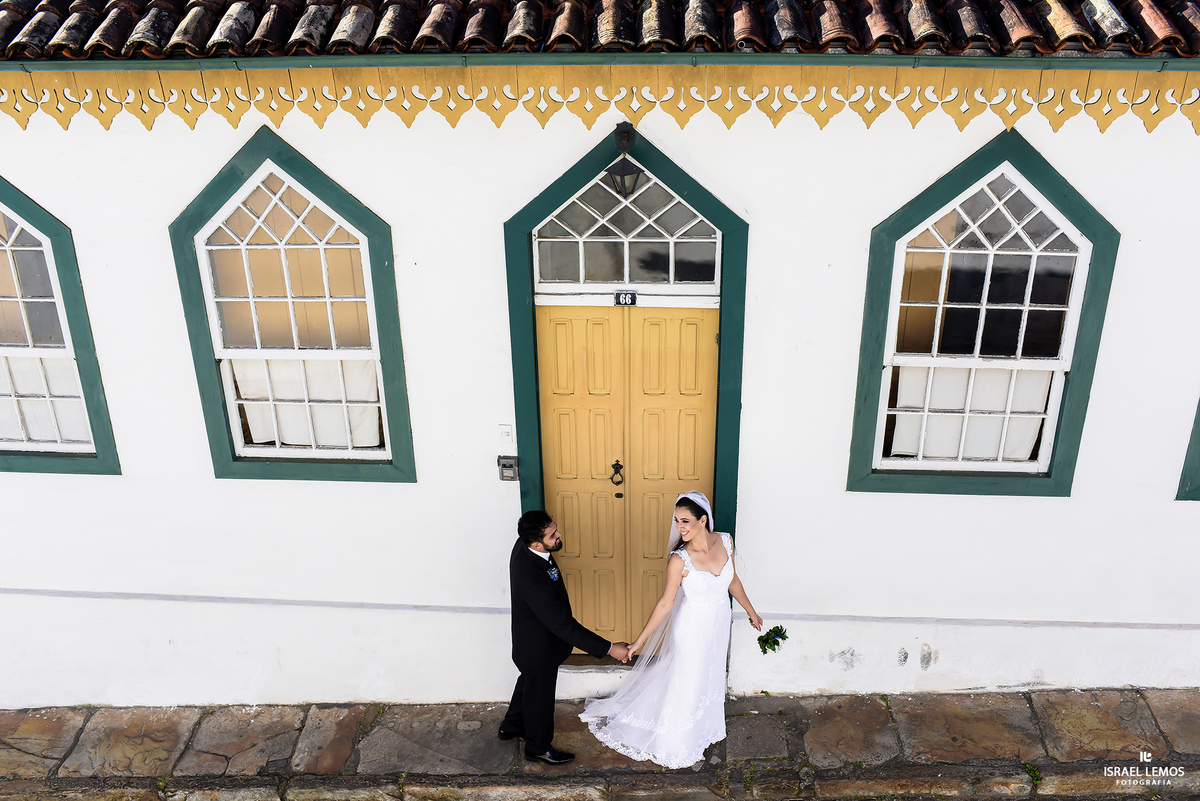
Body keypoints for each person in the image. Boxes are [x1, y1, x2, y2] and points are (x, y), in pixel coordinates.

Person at [579, 491, 763, 769]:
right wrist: (638, 644)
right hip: (692, 628)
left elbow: (732, 580)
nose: (680, 527)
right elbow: (665, 604)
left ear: (704, 520)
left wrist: (751, 610)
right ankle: (679, 743)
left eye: (686, 521)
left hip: (719, 622)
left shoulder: (725, 540)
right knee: (688, 681)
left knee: (710, 675)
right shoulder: (679, 560)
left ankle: (703, 729)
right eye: (677, 521)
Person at [501, 509, 632, 765]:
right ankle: (537, 747)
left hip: (528, 643)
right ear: (536, 543)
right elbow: (565, 627)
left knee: (528, 683)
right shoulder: (534, 583)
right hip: (539, 649)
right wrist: (609, 648)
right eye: (552, 535)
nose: (559, 535)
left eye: (555, 529)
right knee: (539, 698)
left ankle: (511, 726)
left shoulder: (524, 545)